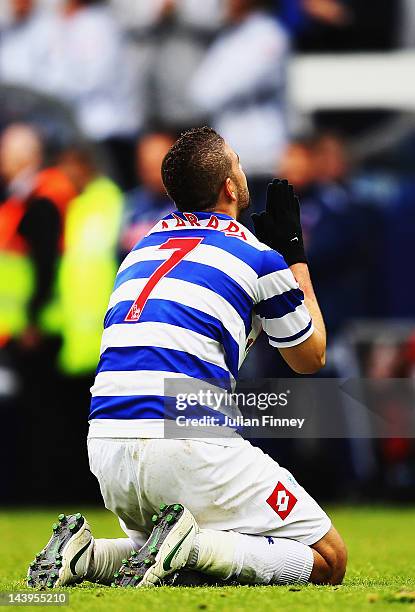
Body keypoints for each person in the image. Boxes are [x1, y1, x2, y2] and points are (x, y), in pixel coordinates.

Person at [27, 127, 346, 589]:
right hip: (184, 440)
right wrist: (294, 256)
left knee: (169, 545)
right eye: (236, 162)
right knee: (327, 558)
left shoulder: (143, 246)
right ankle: (190, 544)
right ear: (230, 187)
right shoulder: (258, 257)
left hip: (105, 446)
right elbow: (310, 358)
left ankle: (87, 556)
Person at [189, 0, 290, 212]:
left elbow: (220, 89)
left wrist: (217, 83)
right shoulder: (229, 36)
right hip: (231, 151)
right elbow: (198, 91)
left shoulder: (269, 33)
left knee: (263, 232)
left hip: (265, 154)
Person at [118, 132, 175, 261]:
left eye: (157, 164)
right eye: (147, 165)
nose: (152, 173)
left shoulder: (194, 205)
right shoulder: (131, 205)